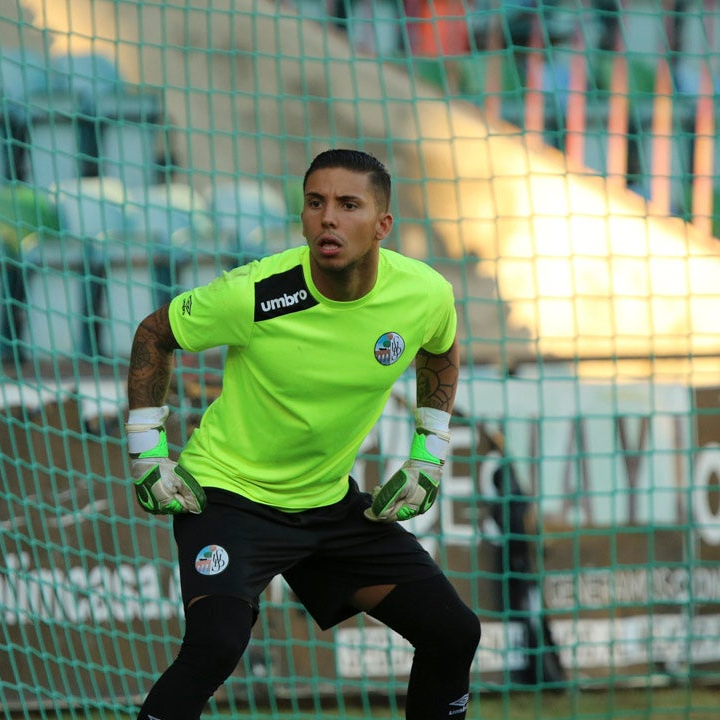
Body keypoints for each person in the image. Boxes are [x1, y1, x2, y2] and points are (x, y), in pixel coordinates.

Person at [125, 148, 481, 720]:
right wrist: (148, 450)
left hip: (325, 505)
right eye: (315, 203)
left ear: (382, 225)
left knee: (453, 631)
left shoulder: (425, 293)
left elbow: (439, 350)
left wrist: (428, 453)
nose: (327, 219)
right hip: (228, 497)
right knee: (216, 645)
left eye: (347, 205)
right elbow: (154, 332)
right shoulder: (257, 292)